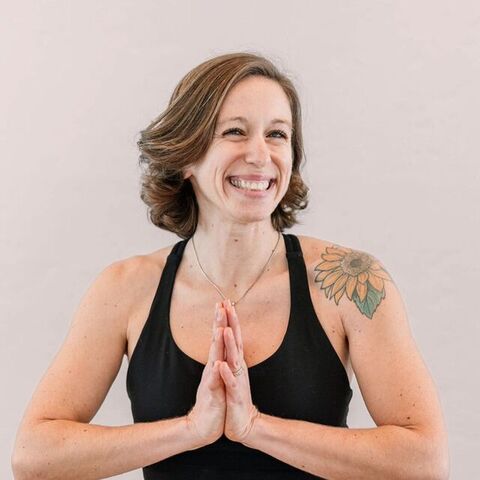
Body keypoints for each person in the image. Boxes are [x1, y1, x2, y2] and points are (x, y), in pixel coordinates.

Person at [11, 52, 449, 479]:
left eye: (277, 134)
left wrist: (255, 427)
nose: (260, 155)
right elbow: (34, 456)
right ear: (186, 155)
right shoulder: (124, 288)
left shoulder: (350, 281)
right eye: (235, 132)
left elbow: (424, 462)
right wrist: (190, 430)